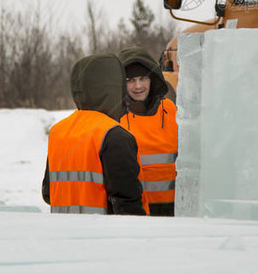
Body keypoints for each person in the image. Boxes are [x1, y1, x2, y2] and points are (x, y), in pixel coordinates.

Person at [42, 53, 148, 215]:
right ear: (114, 90)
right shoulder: (114, 136)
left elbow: (48, 194)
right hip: (104, 236)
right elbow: (127, 205)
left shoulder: (58, 131)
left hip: (62, 234)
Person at [118, 46, 178, 217]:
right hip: (135, 212)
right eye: (130, 80)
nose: (138, 86)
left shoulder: (171, 109)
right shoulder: (116, 116)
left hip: (175, 211)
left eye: (143, 78)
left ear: (152, 79)